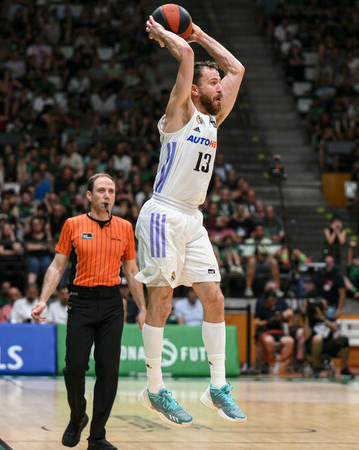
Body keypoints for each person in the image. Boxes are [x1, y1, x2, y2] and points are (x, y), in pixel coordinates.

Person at [134, 14, 246, 427]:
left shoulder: (214, 119)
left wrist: (198, 34)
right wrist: (167, 35)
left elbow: (238, 68)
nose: (222, 87)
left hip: (192, 219)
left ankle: (216, 387)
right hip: (162, 213)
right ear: (195, 90)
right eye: (213, 84)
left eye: (220, 83)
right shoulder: (179, 113)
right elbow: (184, 55)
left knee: (214, 297)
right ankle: (155, 388)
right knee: (161, 300)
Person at [31, 173, 146, 450]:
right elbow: (58, 265)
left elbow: (131, 271)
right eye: (102, 191)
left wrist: (143, 308)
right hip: (80, 301)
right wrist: (43, 299)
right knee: (74, 368)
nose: (108, 195)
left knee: (108, 371)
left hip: (111, 303)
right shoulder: (73, 224)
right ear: (89, 196)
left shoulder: (125, 228)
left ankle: (97, 437)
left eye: (112, 191)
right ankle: (77, 416)